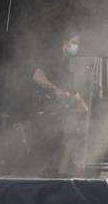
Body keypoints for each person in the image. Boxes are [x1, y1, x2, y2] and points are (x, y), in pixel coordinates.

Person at [27, 31, 91, 176]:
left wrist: (84, 106)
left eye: (78, 44)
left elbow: (72, 91)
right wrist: (56, 90)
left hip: (56, 117)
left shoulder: (67, 64)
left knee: (57, 149)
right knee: (42, 152)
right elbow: (37, 75)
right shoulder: (51, 57)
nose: (77, 47)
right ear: (65, 43)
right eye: (74, 43)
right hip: (43, 115)